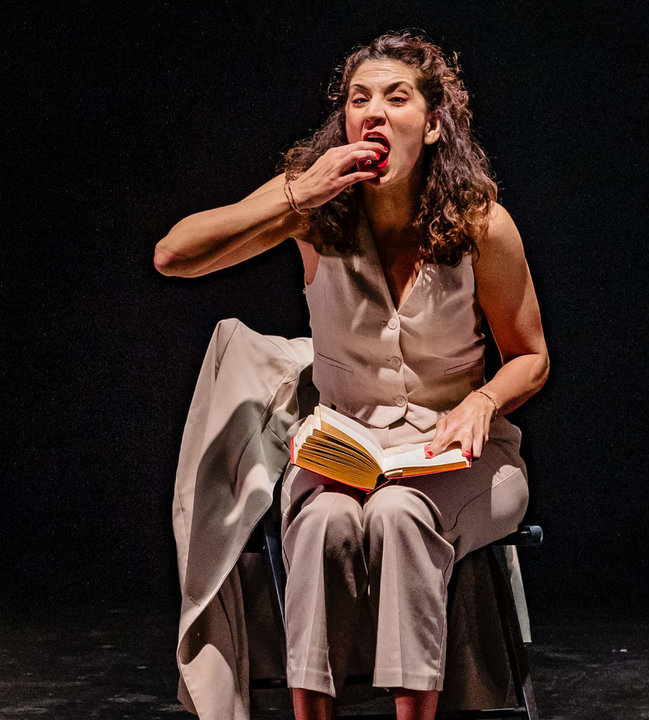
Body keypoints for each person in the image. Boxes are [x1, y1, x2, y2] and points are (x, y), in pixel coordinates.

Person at [155, 32, 549, 720]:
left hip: (458, 458)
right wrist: (297, 192)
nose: (373, 112)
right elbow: (174, 256)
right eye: (358, 99)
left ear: (432, 124)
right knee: (321, 521)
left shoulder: (481, 226)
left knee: (400, 514)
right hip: (343, 450)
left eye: (396, 97)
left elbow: (531, 356)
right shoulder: (315, 219)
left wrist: (483, 401)